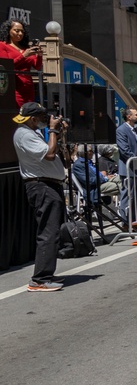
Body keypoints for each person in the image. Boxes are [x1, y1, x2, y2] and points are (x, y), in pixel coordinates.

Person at [13, 102, 67, 291]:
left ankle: (45, 274)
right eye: (43, 118)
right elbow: (50, 154)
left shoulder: (31, 132)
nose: (46, 121)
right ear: (33, 118)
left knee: (51, 231)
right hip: (42, 186)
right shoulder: (24, 135)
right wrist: (52, 131)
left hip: (48, 185)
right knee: (48, 232)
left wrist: (58, 133)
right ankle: (40, 279)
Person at [0, 19, 43, 107]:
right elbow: (6, 67)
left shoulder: (25, 47)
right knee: (19, 112)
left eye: (22, 31)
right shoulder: (3, 45)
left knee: (29, 112)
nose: (20, 34)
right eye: (17, 31)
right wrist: (23, 56)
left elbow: (37, 67)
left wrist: (39, 55)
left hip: (28, 86)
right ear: (8, 30)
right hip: (14, 86)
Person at [116, 108, 137, 223]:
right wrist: (136, 159)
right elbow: (124, 150)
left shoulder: (135, 130)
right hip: (128, 168)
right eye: (136, 114)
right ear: (129, 117)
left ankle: (134, 219)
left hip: (136, 168)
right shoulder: (121, 130)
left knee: (136, 195)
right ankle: (125, 220)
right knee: (127, 194)